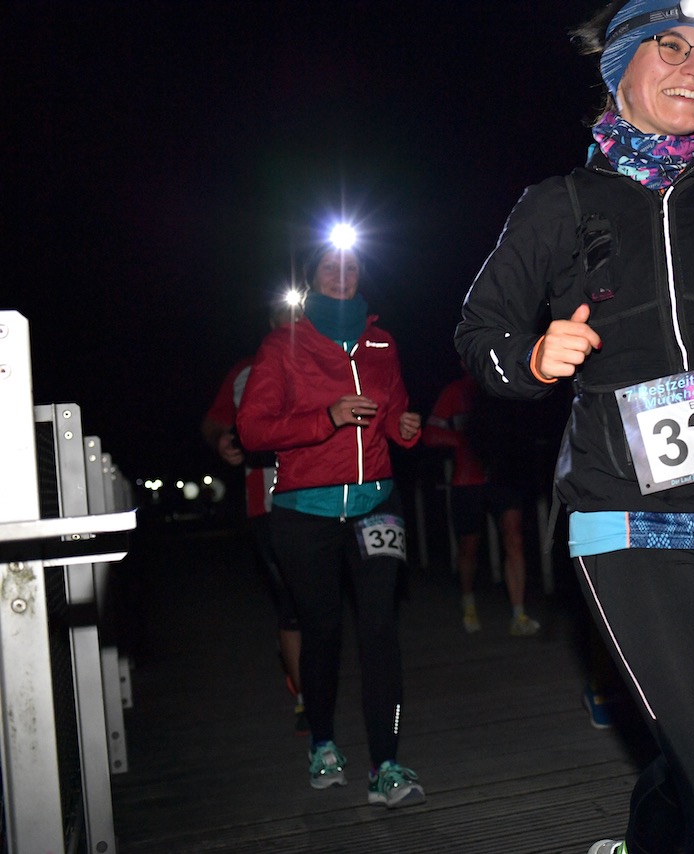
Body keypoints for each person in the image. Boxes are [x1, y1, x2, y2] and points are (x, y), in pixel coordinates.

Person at [455, 2, 694, 851]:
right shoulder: (557, 206)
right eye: (671, 48)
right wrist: (532, 359)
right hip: (628, 521)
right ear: (619, 68)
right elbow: (479, 338)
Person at [237, 241, 426, 809]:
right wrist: (327, 417)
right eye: (330, 268)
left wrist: (406, 426)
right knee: (321, 632)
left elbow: (393, 415)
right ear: (312, 278)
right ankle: (322, 743)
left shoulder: (381, 342)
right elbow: (253, 431)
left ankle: (386, 764)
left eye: (351, 267)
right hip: (306, 514)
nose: (342, 276)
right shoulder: (281, 346)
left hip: (376, 507)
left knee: (380, 633)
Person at [200, 302, 307, 734]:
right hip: (267, 502)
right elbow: (212, 422)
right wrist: (221, 440)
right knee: (290, 600)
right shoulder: (246, 370)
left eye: (300, 311)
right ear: (269, 323)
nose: (291, 321)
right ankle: (306, 697)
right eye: (282, 313)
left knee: (323, 598)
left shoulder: (331, 356)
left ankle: (313, 674)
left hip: (328, 497)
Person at [422, 367, 541, 637]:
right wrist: (463, 441)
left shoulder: (505, 387)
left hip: (503, 476)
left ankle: (519, 614)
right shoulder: (455, 392)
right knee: (469, 547)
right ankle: (468, 602)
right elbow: (429, 433)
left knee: (514, 538)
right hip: (467, 479)